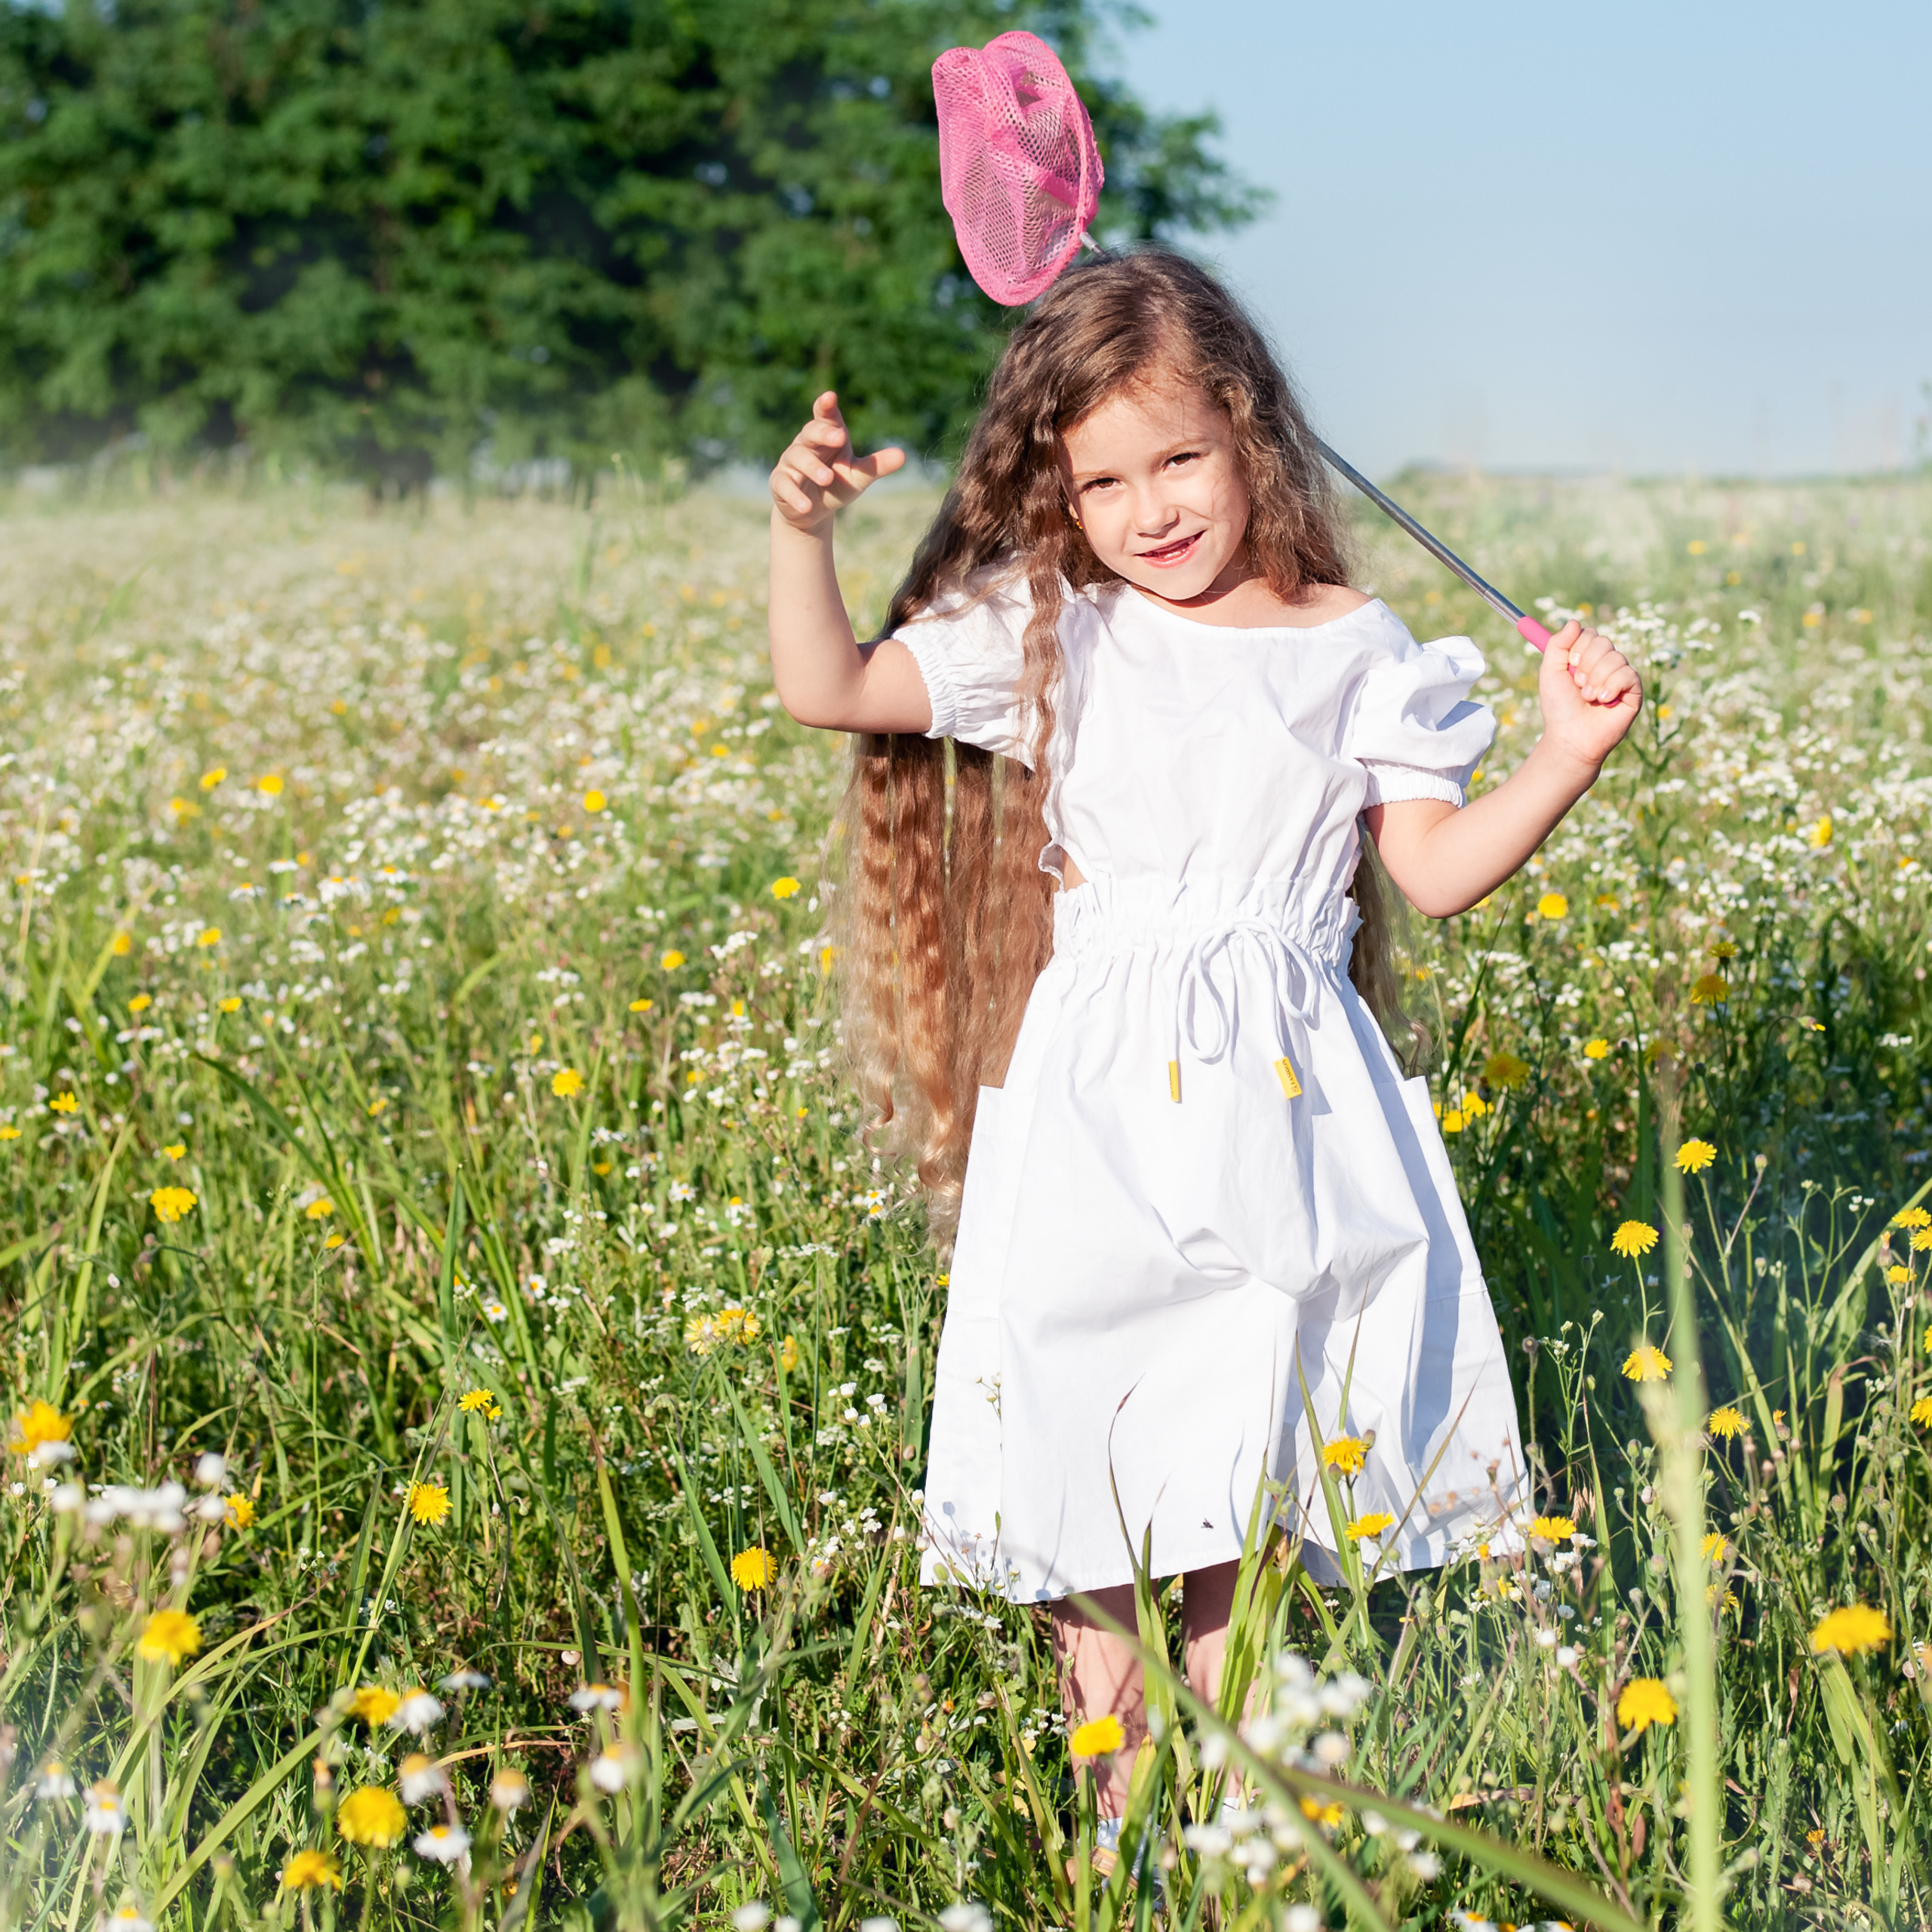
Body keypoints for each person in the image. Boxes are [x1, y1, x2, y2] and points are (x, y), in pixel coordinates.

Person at [765, 249, 1640, 1830]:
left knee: (1240, 1473)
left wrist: (1565, 750)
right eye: (1101, 479)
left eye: (1176, 456)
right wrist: (799, 530)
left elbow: (1430, 870)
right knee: (1088, 1470)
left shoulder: (1355, 642)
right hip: (1098, 1118)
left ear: (1247, 429)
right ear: (1058, 498)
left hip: (1286, 1120)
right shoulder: (1056, 627)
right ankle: (1119, 1839)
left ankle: (1238, 1834)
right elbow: (825, 685)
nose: (1150, 506)